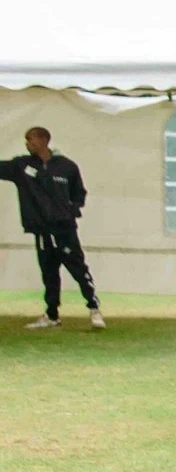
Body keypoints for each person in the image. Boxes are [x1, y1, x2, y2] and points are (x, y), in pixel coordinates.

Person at [3, 125, 101, 330]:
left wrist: (69, 211)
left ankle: (94, 309)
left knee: (78, 268)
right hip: (42, 232)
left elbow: (79, 194)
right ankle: (52, 315)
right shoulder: (21, 166)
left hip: (65, 230)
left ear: (43, 141)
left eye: (30, 139)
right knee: (49, 273)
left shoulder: (67, 167)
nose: (27, 144)